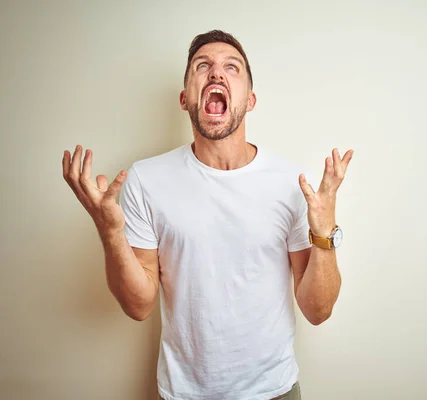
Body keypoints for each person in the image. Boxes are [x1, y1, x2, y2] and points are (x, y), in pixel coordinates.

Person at [62, 30, 353, 400]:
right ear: (185, 98)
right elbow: (138, 306)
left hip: (274, 391)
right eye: (203, 66)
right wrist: (110, 234)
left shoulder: (292, 183)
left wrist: (325, 234)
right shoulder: (146, 180)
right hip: (184, 394)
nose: (216, 74)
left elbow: (318, 310)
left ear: (250, 99)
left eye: (231, 67)